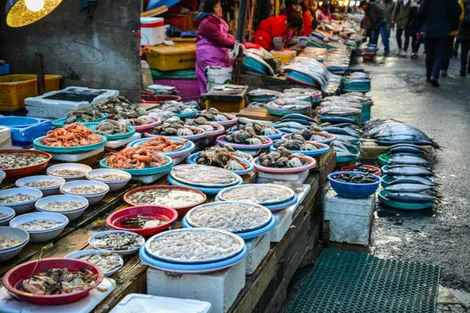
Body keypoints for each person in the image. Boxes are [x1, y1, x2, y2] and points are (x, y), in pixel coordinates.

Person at [195, 0, 236, 94]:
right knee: (212, 86)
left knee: (219, 85)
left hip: (218, 58)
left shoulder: (216, 21)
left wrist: (238, 41)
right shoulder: (207, 23)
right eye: (216, 7)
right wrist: (237, 45)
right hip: (209, 59)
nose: (220, 9)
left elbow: (225, 36)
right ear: (210, 9)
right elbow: (220, 39)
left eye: (220, 6)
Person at [418, 0, 461, 87]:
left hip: (430, 29)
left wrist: (426, 21)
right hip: (444, 29)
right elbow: (458, 11)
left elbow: (420, 12)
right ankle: (434, 75)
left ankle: (428, 75)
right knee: (439, 53)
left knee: (429, 53)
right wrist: (449, 20)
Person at [442, 0, 464, 76]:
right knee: (448, 50)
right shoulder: (458, 2)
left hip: (441, 29)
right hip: (452, 30)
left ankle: (437, 67)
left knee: (440, 48)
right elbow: (461, 16)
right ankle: (444, 69)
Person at [460, 0, 470, 76]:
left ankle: (462, 70)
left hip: (465, 33)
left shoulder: (463, 4)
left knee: (464, 52)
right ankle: (469, 69)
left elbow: (461, 18)